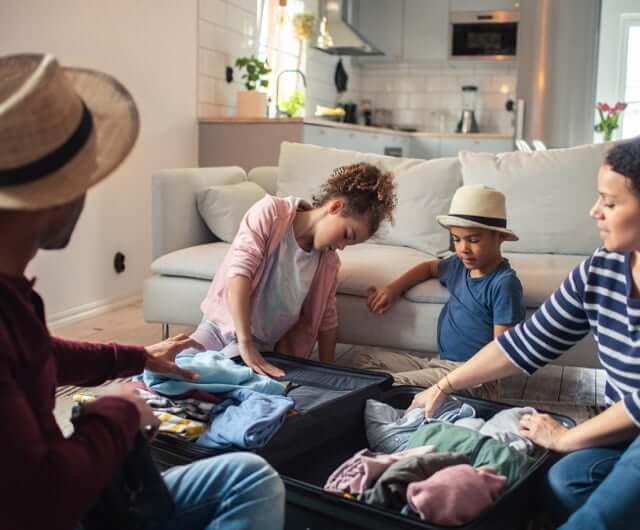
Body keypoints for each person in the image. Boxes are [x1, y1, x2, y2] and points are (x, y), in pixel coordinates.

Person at [0, 53, 284, 530]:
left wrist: (137, 357)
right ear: (49, 197)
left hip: (70, 494)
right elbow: (41, 497)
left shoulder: (14, 296)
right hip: (58, 509)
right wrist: (119, 412)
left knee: (249, 478)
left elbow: (38, 354)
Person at [409, 137, 640, 530]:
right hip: (626, 434)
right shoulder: (602, 270)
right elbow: (524, 342)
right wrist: (444, 385)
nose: (594, 212)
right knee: (563, 482)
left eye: (611, 203)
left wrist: (569, 437)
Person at [191, 162, 398, 377]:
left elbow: (328, 320)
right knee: (175, 366)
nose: (342, 246)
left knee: (212, 378)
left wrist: (328, 374)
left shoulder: (328, 263)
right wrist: (245, 342)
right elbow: (240, 271)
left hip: (263, 345)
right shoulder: (271, 213)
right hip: (219, 327)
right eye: (347, 235)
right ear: (335, 207)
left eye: (349, 244)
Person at [353, 185, 526, 401]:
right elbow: (428, 268)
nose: (463, 248)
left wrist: (452, 381)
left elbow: (503, 354)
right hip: (439, 364)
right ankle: (413, 396)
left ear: (499, 237)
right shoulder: (458, 266)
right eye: (456, 239)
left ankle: (413, 401)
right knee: (364, 361)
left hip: (476, 379)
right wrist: (392, 289)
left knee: (395, 384)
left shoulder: (504, 284)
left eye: (473, 240)